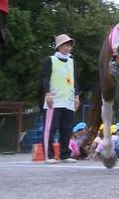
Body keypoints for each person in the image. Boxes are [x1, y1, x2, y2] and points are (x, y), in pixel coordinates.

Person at [42, 34, 80, 164]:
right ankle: (49, 155)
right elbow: (45, 78)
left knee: (67, 128)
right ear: (59, 46)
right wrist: (47, 94)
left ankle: (65, 154)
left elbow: (75, 80)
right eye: (65, 45)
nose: (68, 47)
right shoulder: (50, 60)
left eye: (69, 45)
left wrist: (76, 96)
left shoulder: (72, 62)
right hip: (54, 99)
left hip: (68, 100)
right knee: (51, 128)